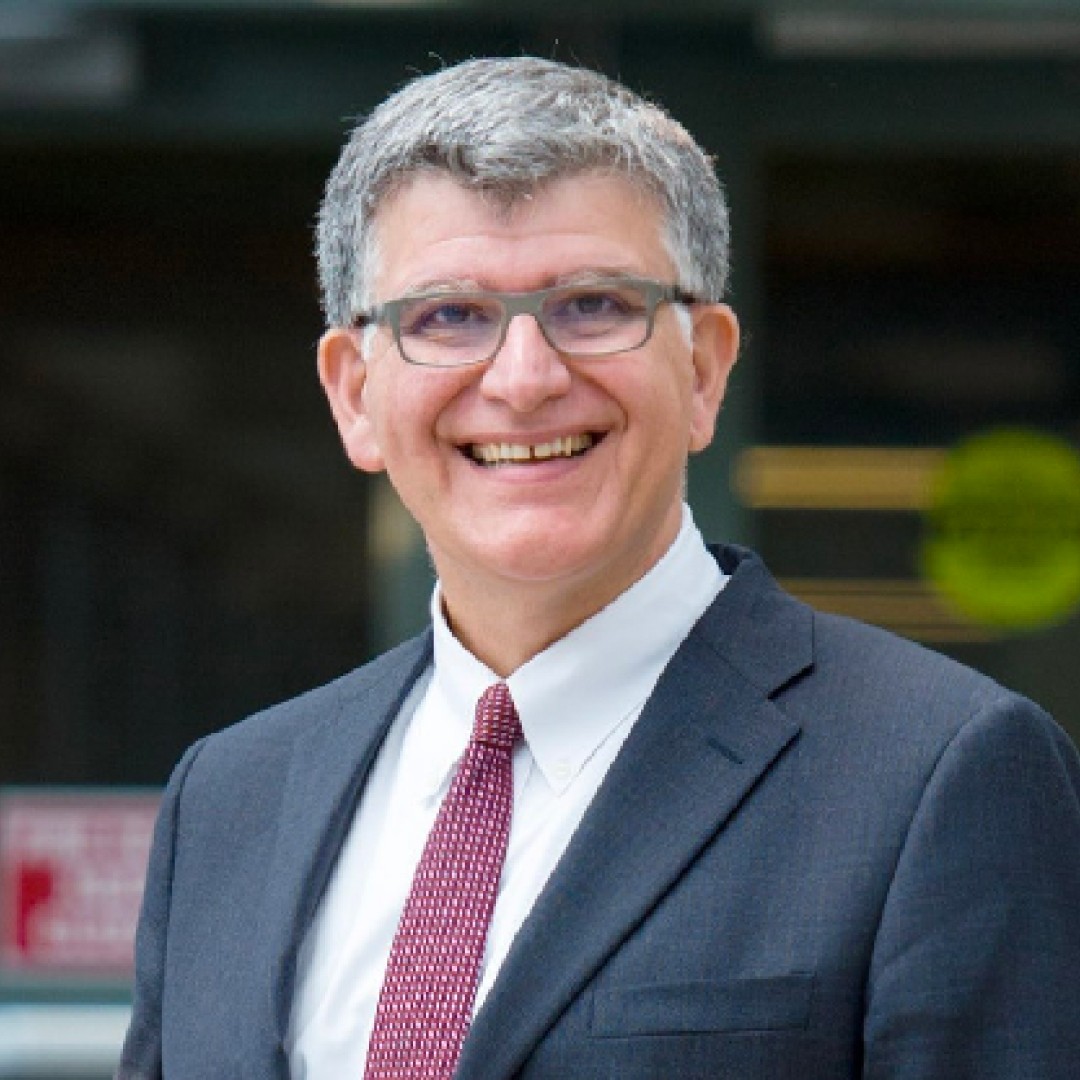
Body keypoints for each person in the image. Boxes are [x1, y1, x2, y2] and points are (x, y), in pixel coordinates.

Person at [118, 57, 1080, 1080]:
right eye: (448, 316)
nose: (525, 379)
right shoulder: (229, 800)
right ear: (354, 394)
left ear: (704, 368)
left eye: (593, 305)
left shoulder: (941, 774)